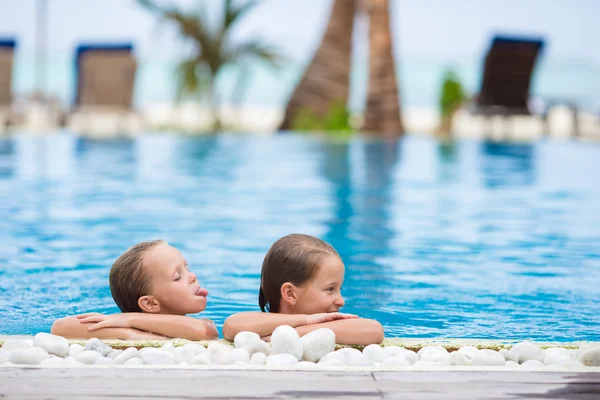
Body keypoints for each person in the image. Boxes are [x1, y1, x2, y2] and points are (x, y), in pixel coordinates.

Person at [223, 234, 384, 345]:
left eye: (339, 289)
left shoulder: (332, 325)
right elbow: (232, 325)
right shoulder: (256, 323)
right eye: (330, 289)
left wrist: (294, 334)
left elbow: (374, 329)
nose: (341, 301)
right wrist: (305, 320)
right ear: (291, 294)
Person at [51, 240, 218, 340]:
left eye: (187, 268)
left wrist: (130, 319)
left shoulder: (204, 323)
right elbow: (60, 326)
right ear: (150, 303)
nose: (193, 276)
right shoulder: (130, 329)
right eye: (177, 277)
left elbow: (204, 331)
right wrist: (132, 335)